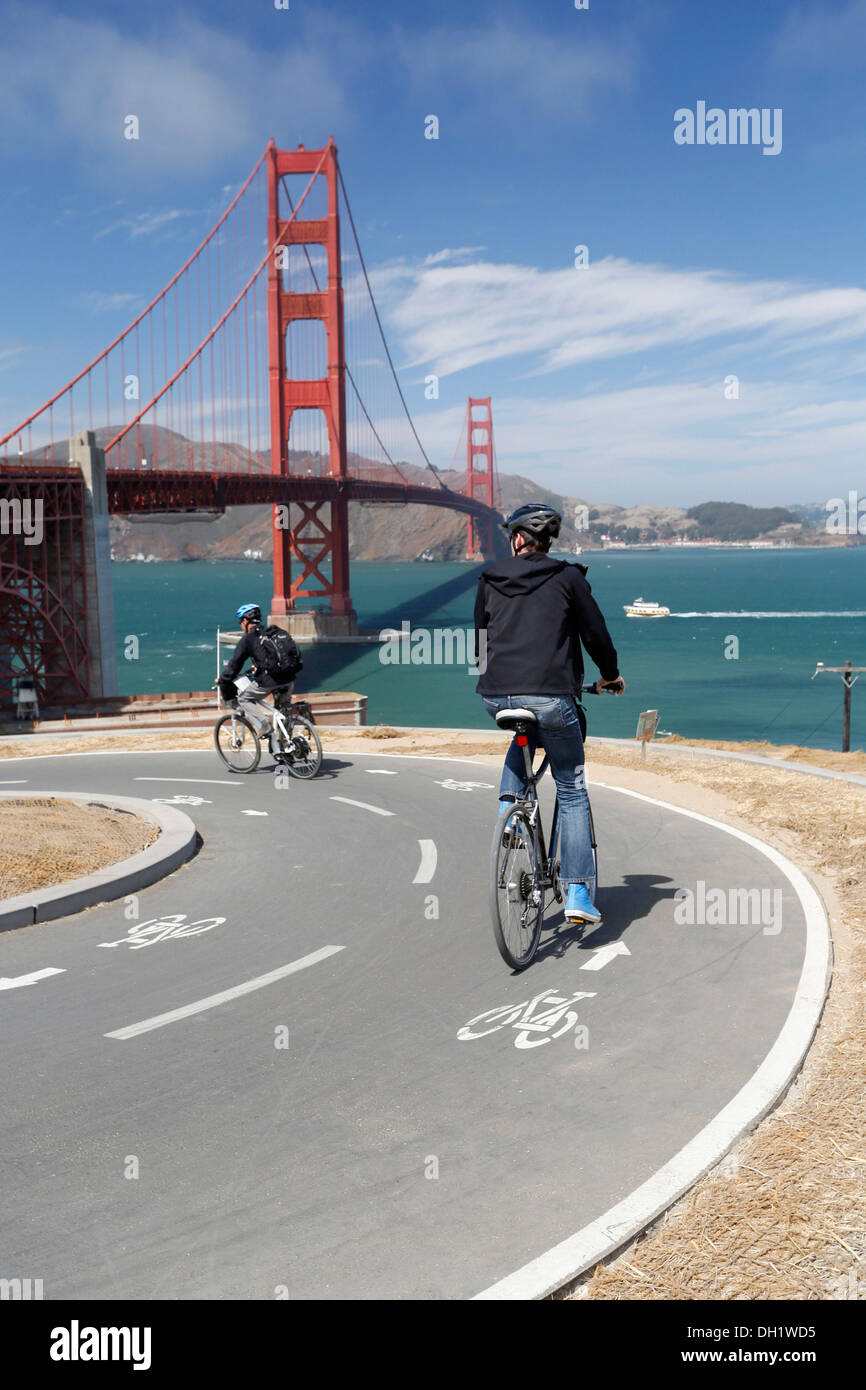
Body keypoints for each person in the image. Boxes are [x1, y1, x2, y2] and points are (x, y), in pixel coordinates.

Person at [474, 503, 625, 926]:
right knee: (571, 785)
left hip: (496, 696)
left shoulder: (488, 579)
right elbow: (596, 635)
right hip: (552, 697)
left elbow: (479, 645)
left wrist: (501, 682)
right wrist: (610, 675)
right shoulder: (568, 578)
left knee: (524, 730)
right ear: (545, 540)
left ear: (518, 539)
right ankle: (577, 891)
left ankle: (509, 809)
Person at [218, 603, 298, 749]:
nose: (241, 626)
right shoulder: (272, 631)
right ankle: (286, 745)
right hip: (289, 678)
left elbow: (235, 665)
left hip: (270, 680)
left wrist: (222, 679)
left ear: (245, 621)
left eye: (241, 622)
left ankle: (264, 724)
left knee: (244, 698)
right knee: (282, 709)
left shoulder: (248, 639)